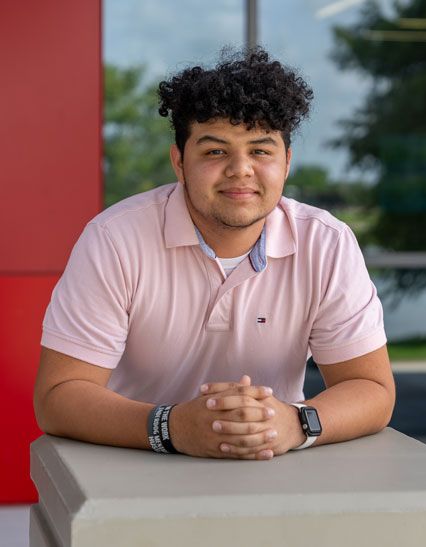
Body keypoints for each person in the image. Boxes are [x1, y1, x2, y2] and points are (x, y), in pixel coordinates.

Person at [33, 48, 395, 461]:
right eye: (215, 151)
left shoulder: (326, 243)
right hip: (133, 462)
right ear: (179, 163)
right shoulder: (115, 239)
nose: (241, 169)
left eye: (261, 151)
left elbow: (373, 390)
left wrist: (295, 424)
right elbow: (57, 397)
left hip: (275, 466)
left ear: (287, 163)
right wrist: (171, 428)